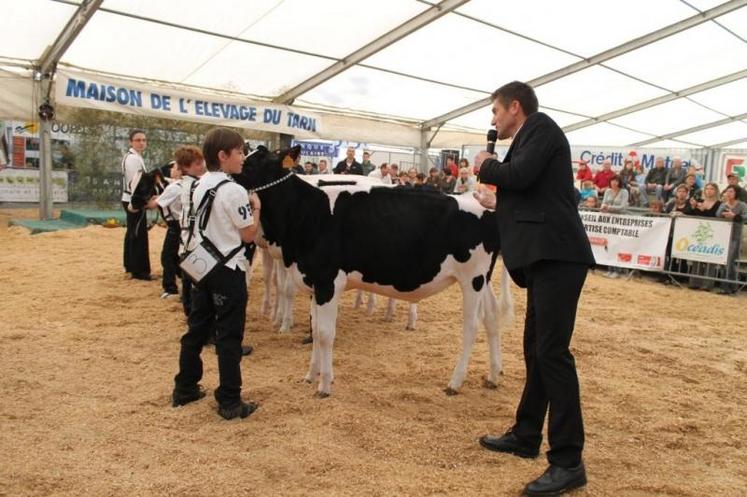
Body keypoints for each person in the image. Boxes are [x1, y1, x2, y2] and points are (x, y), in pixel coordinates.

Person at [474, 81, 594, 497]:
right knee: (535, 349)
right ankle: (526, 435)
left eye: (495, 111)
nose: (493, 120)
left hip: (560, 258)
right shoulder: (530, 138)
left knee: (553, 354)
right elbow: (534, 192)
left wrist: (486, 165)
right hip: (547, 259)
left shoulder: (541, 127)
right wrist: (498, 203)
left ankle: (568, 462)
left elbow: (519, 176)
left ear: (515, 107)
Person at [173, 127, 261, 420]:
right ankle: (230, 401)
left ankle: (185, 387)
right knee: (229, 335)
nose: (243, 157)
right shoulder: (234, 190)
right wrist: (256, 208)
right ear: (223, 156)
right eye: (239, 152)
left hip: (202, 264)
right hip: (228, 267)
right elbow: (248, 235)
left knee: (197, 327)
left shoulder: (198, 184)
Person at [175, 145, 207, 317]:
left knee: (189, 287)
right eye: (196, 164)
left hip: (186, 243)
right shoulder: (196, 185)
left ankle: (193, 322)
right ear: (186, 167)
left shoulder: (185, 183)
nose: (201, 166)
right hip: (195, 243)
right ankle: (204, 331)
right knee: (198, 291)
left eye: (201, 162)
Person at [121, 129, 152, 280]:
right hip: (133, 199)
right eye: (138, 140)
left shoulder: (134, 156)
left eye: (143, 140)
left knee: (132, 233)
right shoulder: (133, 158)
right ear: (130, 142)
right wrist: (143, 201)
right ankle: (139, 271)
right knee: (138, 235)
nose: (141, 143)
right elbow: (136, 183)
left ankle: (130, 265)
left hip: (130, 198)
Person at [154, 161, 183, 299]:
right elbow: (167, 181)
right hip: (183, 225)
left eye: (175, 167)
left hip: (175, 225)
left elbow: (155, 204)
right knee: (178, 256)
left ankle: (170, 289)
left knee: (167, 257)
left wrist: (138, 204)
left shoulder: (174, 188)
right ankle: (186, 281)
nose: (171, 169)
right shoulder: (186, 183)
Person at [688, 182, 722, 291]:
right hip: (699, 232)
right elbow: (694, 214)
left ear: (716, 191)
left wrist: (704, 210)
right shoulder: (701, 201)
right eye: (707, 188)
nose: (709, 191)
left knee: (710, 258)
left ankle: (707, 284)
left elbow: (715, 216)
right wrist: (694, 207)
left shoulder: (719, 203)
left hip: (713, 232)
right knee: (697, 256)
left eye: (711, 189)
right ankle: (694, 282)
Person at [715, 185, 747, 294]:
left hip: (736, 236)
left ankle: (726, 286)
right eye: (727, 191)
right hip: (724, 235)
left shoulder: (742, 205)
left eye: (731, 192)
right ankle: (733, 286)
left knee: (729, 261)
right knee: (728, 262)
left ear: (736, 193)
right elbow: (717, 214)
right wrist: (724, 213)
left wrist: (734, 215)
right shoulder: (724, 204)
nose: (728, 194)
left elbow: (745, 217)